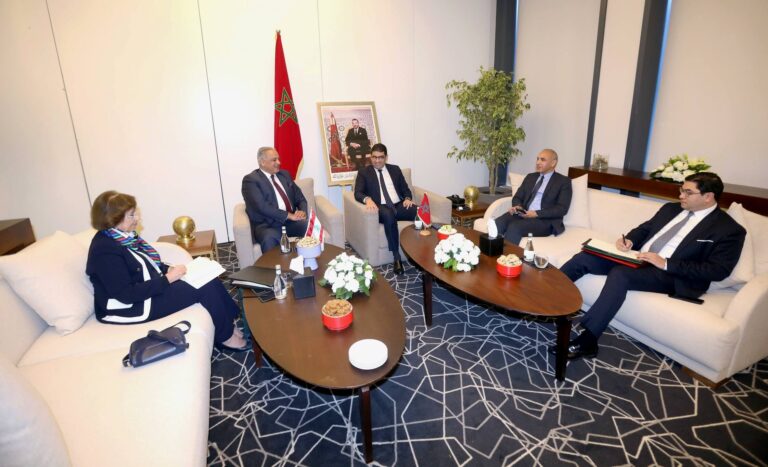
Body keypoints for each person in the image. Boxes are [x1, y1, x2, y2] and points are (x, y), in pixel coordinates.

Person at [555, 172, 746, 360]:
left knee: (621, 274)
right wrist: (629, 240)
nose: (681, 195)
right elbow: (645, 229)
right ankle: (548, 300)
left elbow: (718, 270)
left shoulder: (728, 229)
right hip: (638, 258)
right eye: (681, 190)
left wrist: (666, 263)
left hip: (672, 274)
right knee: (585, 257)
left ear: (708, 197)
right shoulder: (671, 209)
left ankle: (588, 341)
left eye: (688, 192)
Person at [86, 191, 248, 351]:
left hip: (147, 290)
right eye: (131, 215)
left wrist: (167, 269)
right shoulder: (104, 250)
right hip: (131, 306)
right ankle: (224, 337)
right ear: (113, 219)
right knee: (203, 287)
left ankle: (229, 322)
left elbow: (144, 262)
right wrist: (168, 278)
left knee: (208, 277)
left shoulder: (122, 237)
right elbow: (126, 294)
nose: (137, 218)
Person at [354, 143, 416, 275]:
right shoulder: (364, 172)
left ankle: (421, 249)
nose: (377, 160)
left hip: (398, 205)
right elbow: (358, 193)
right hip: (381, 207)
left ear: (386, 157)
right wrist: (367, 199)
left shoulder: (395, 169)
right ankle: (397, 258)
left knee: (420, 212)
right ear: (371, 157)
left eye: (380, 157)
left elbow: (405, 189)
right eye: (374, 157)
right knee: (388, 215)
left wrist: (407, 198)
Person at [494, 149, 572, 244]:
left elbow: (562, 209)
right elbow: (517, 197)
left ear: (553, 163)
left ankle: (508, 254)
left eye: (542, 160)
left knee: (515, 227)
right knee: (498, 223)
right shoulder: (531, 177)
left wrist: (536, 213)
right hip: (524, 214)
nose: (538, 162)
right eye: (537, 159)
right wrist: (518, 207)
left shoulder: (563, 182)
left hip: (545, 220)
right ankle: (491, 252)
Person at [242, 146, 308, 252]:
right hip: (268, 225)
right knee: (269, 239)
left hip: (290, 222)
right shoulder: (251, 180)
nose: (279, 162)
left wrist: (302, 211)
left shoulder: (284, 175)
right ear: (262, 162)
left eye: (278, 159)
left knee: (311, 227)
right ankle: (274, 264)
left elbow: (300, 198)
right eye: (274, 160)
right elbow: (262, 207)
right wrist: (288, 215)